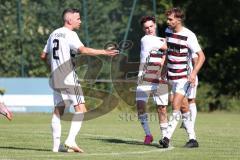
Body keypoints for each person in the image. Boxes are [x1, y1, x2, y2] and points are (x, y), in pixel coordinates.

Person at [40, 8, 118, 153]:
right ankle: (70, 140)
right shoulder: (70, 34)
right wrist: (104, 52)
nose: (80, 21)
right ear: (69, 20)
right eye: (78, 18)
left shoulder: (53, 33)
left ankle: (56, 147)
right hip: (68, 76)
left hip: (55, 76)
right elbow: (83, 50)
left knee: (58, 110)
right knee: (81, 109)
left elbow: (43, 55)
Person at [160, 7, 205, 148]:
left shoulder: (189, 35)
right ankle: (193, 139)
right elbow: (168, 52)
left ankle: (166, 137)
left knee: (176, 104)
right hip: (171, 76)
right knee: (185, 108)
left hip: (183, 78)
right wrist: (163, 69)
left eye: (170, 19)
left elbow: (202, 56)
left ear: (178, 20)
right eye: (167, 19)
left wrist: (193, 74)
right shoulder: (168, 32)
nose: (167, 21)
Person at [136, 16, 169, 145]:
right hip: (145, 77)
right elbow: (167, 47)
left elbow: (167, 51)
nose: (149, 29)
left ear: (155, 25)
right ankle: (148, 134)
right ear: (143, 29)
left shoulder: (161, 39)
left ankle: (165, 137)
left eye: (151, 26)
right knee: (140, 106)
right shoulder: (146, 39)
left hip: (160, 78)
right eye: (146, 27)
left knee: (162, 108)